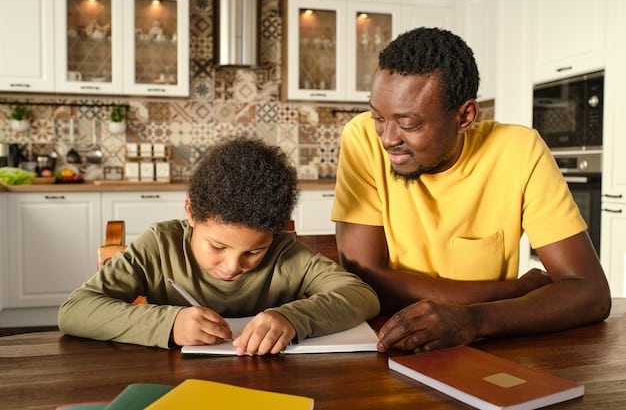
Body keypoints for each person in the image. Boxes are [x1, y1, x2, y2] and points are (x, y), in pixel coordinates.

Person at [331, 27, 611, 354]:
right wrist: (514, 290)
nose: (387, 138)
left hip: (484, 352)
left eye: (408, 124)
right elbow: (364, 280)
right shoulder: (362, 138)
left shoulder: (519, 150)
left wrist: (474, 320)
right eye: (379, 117)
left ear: (465, 116)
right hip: (389, 345)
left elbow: (590, 293)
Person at [58, 137, 379, 355]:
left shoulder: (286, 253)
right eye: (217, 246)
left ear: (276, 233)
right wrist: (169, 324)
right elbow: (75, 311)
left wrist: (295, 318)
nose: (231, 266)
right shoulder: (160, 246)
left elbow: (361, 296)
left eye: (254, 251)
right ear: (191, 214)